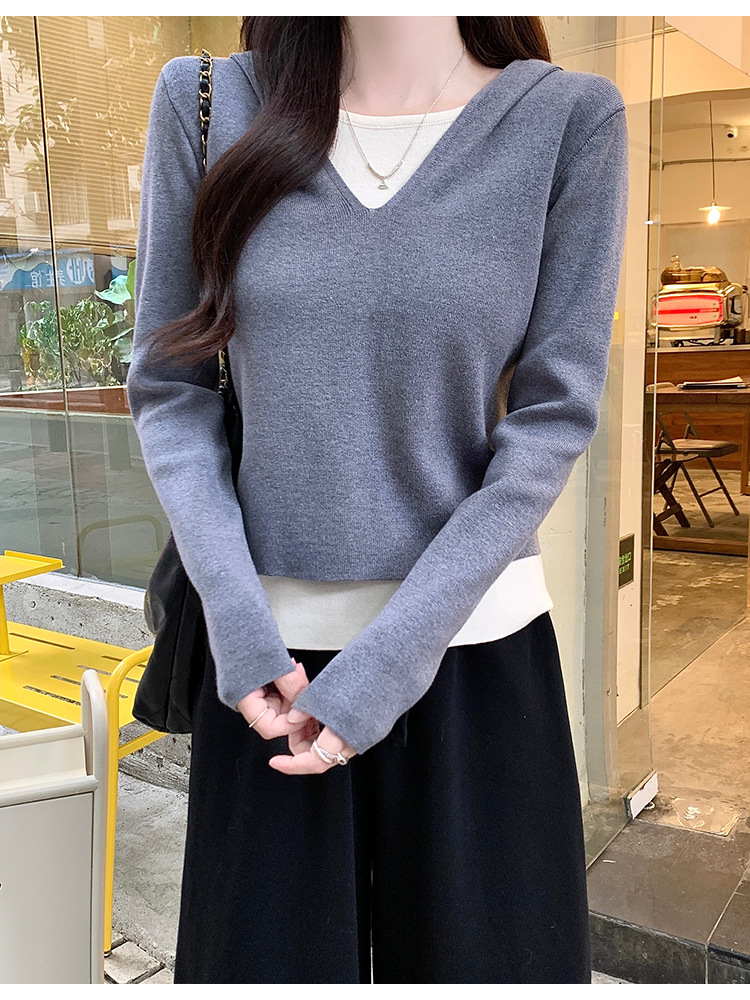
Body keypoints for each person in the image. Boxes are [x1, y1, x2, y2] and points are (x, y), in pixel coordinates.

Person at [126, 15, 629, 984]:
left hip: (475, 669)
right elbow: (170, 390)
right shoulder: (207, 103)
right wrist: (236, 622)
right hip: (269, 683)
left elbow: (553, 417)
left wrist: (391, 660)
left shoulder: (568, 122)